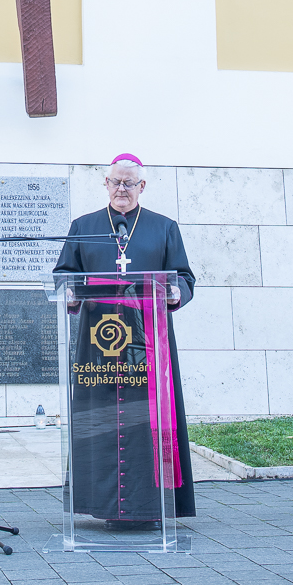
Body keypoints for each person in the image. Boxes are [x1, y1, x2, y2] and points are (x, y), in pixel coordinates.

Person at [54, 154, 197, 530]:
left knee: (147, 420)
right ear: (105, 183)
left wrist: (175, 291)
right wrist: (67, 292)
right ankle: (101, 504)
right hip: (96, 346)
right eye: (115, 182)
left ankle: (150, 506)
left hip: (148, 344)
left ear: (142, 187)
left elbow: (184, 277)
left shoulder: (164, 227)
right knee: (97, 419)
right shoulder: (83, 227)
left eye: (128, 183)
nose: (121, 189)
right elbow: (63, 274)